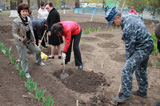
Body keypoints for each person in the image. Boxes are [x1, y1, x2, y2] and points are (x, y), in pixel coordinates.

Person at [105, 7, 154, 103]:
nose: (113, 25)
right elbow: (141, 20)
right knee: (141, 68)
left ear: (118, 18)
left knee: (126, 70)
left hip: (143, 48)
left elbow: (129, 49)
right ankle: (142, 91)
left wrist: (128, 62)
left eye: (113, 22)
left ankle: (125, 94)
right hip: (148, 45)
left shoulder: (128, 27)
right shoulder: (130, 16)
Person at [12, 3, 45, 78]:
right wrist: (19, 38)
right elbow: (14, 33)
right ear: (20, 11)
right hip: (20, 42)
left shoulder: (29, 19)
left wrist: (33, 40)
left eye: (26, 11)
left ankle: (38, 61)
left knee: (38, 50)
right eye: (23, 11)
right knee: (24, 58)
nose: (25, 13)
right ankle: (26, 72)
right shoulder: (16, 21)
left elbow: (31, 31)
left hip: (28, 40)